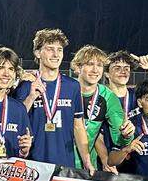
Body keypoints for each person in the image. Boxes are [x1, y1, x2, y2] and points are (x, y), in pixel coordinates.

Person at [15, 29, 92, 172]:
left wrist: (86, 160)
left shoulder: (73, 86)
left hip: (64, 163)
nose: (56, 54)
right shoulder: (26, 85)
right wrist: (31, 97)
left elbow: (78, 126)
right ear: (38, 53)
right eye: (50, 49)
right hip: (32, 164)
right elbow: (15, 120)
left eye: (60, 50)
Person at [73, 45, 133, 171]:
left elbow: (119, 139)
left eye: (99, 65)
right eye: (90, 64)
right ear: (77, 67)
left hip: (88, 167)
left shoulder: (108, 97)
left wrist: (127, 135)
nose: (95, 70)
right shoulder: (66, 89)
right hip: (59, 160)